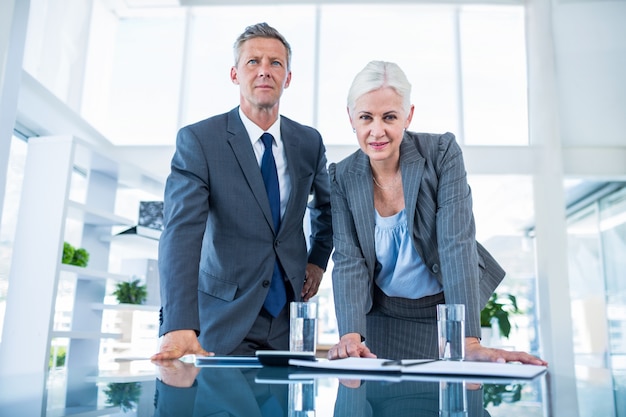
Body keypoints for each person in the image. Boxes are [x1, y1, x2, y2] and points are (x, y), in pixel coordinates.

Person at [327, 60, 546, 365]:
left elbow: (456, 244)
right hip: (385, 316)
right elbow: (349, 260)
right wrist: (350, 336)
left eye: (389, 117)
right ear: (351, 118)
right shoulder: (341, 176)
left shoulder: (441, 153)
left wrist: (467, 339)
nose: (377, 131)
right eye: (366, 117)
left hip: (447, 311)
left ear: (408, 116)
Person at [151, 22, 333, 360]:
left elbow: (328, 208)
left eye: (275, 63)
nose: (265, 71)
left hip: (288, 320)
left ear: (288, 78)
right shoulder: (200, 141)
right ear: (235, 74)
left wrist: (318, 261)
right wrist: (178, 323)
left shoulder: (309, 142)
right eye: (253, 62)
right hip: (224, 317)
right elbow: (180, 233)